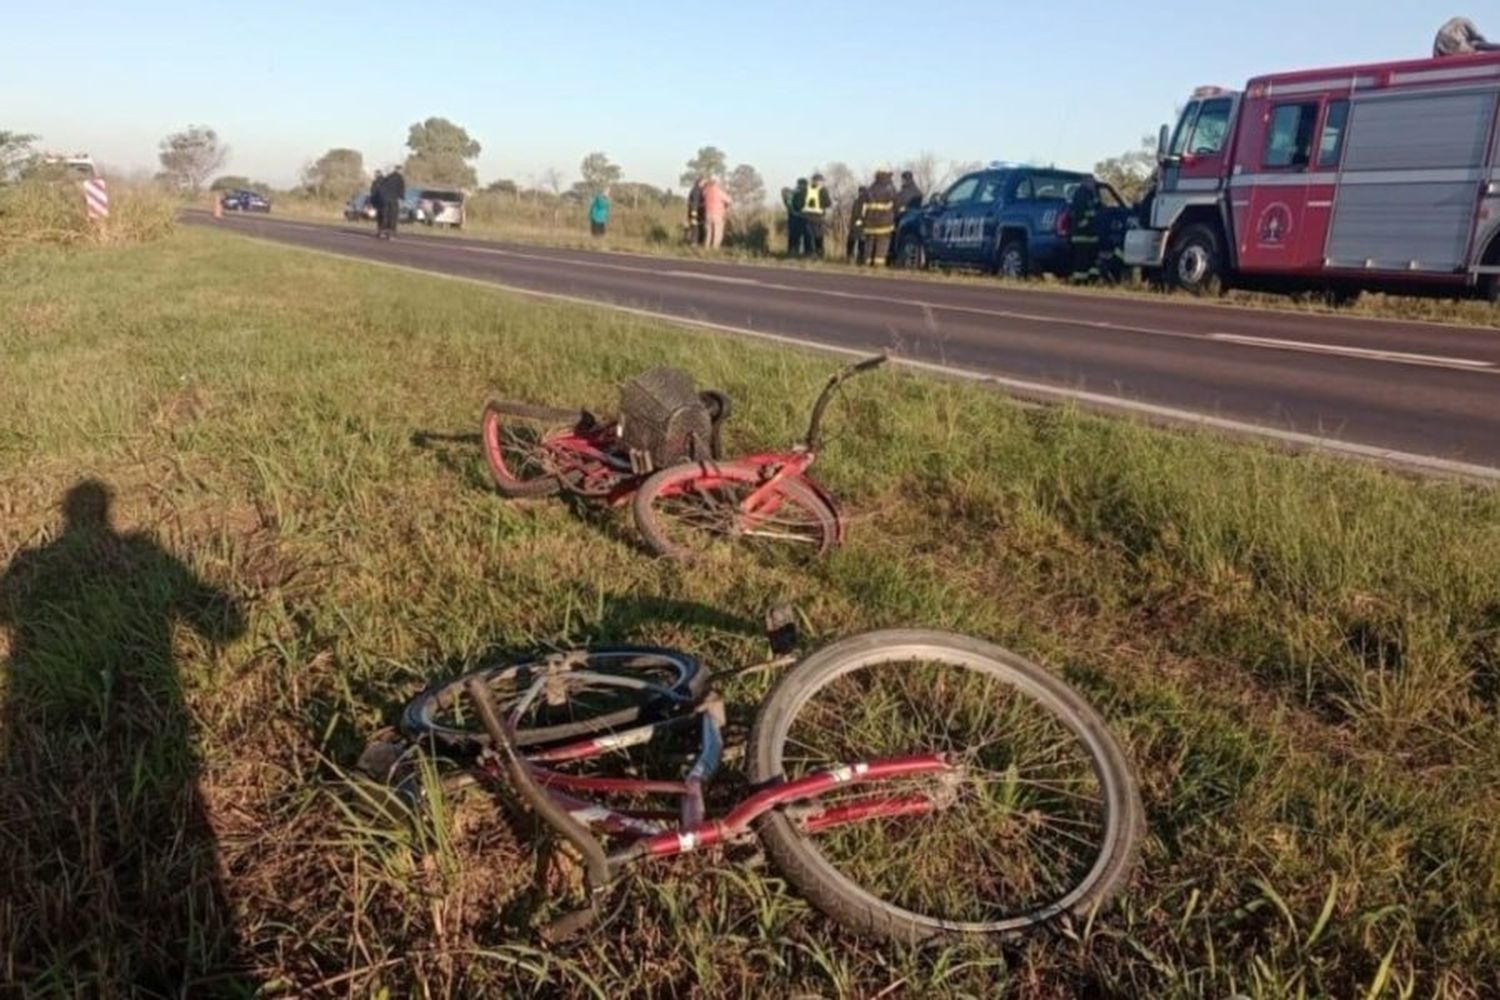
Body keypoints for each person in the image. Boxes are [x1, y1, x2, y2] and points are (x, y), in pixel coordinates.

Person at [1, 480, 247, 991]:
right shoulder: (143, 550)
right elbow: (228, 626)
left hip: (47, 734)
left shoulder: (38, 559)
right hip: (136, 724)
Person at [856, 168, 899, 266]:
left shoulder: (870, 189)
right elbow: (896, 205)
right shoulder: (891, 189)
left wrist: (861, 220)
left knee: (869, 243)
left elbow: (861, 206)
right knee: (882, 244)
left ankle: (867, 263)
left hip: (869, 223)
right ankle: (879, 265)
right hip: (885, 224)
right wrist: (896, 217)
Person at [797, 174, 830, 257]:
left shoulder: (805, 189)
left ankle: (807, 253)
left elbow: (798, 203)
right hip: (818, 217)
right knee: (818, 236)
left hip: (805, 217)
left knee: (807, 236)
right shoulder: (822, 190)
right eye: (821, 181)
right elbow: (828, 203)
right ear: (819, 181)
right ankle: (819, 253)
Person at [1434, 16, 1500, 57]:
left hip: (1438, 51)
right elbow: (1480, 39)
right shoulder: (1467, 23)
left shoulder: (1453, 24)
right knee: (1475, 44)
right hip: (1451, 45)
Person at [701, 176, 732, 249]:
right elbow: (729, 200)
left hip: (708, 214)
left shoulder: (706, 191)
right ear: (716, 183)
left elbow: (703, 195)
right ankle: (715, 248)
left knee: (709, 232)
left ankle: (706, 247)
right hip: (717, 214)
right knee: (717, 232)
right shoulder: (719, 192)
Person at [374, 167, 405, 239]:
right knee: (393, 215)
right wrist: (401, 198)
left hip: (385, 199)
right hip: (393, 199)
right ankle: (391, 233)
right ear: (400, 170)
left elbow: (381, 187)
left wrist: (382, 197)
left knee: (385, 215)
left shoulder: (388, 177)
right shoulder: (399, 178)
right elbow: (401, 189)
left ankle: (382, 232)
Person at [786, 178, 809, 256]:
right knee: (804, 236)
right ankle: (801, 252)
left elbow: (788, 205)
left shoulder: (792, 192)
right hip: (801, 217)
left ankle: (792, 252)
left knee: (794, 236)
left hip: (793, 217)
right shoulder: (805, 193)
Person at [847, 186, 868, 261]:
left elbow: (862, 213)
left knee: (858, 241)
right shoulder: (860, 202)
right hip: (857, 224)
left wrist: (860, 220)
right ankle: (856, 257)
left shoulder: (863, 202)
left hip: (859, 224)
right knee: (857, 241)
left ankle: (856, 257)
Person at [687, 178, 707, 246]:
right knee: (695, 227)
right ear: (700, 183)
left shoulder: (696, 190)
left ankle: (696, 242)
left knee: (697, 226)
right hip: (695, 212)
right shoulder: (696, 191)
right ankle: (694, 242)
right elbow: (695, 203)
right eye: (704, 183)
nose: (705, 184)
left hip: (694, 211)